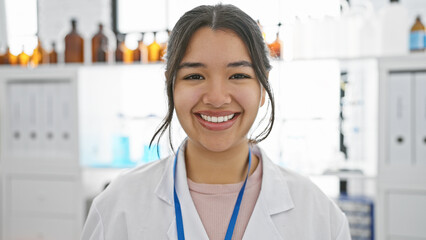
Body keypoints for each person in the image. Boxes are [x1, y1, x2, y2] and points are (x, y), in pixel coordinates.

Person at [81, 4, 351, 240]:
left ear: (263, 87)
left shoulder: (318, 214)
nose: (217, 98)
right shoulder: (119, 206)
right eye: (195, 77)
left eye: (238, 75)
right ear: (171, 86)